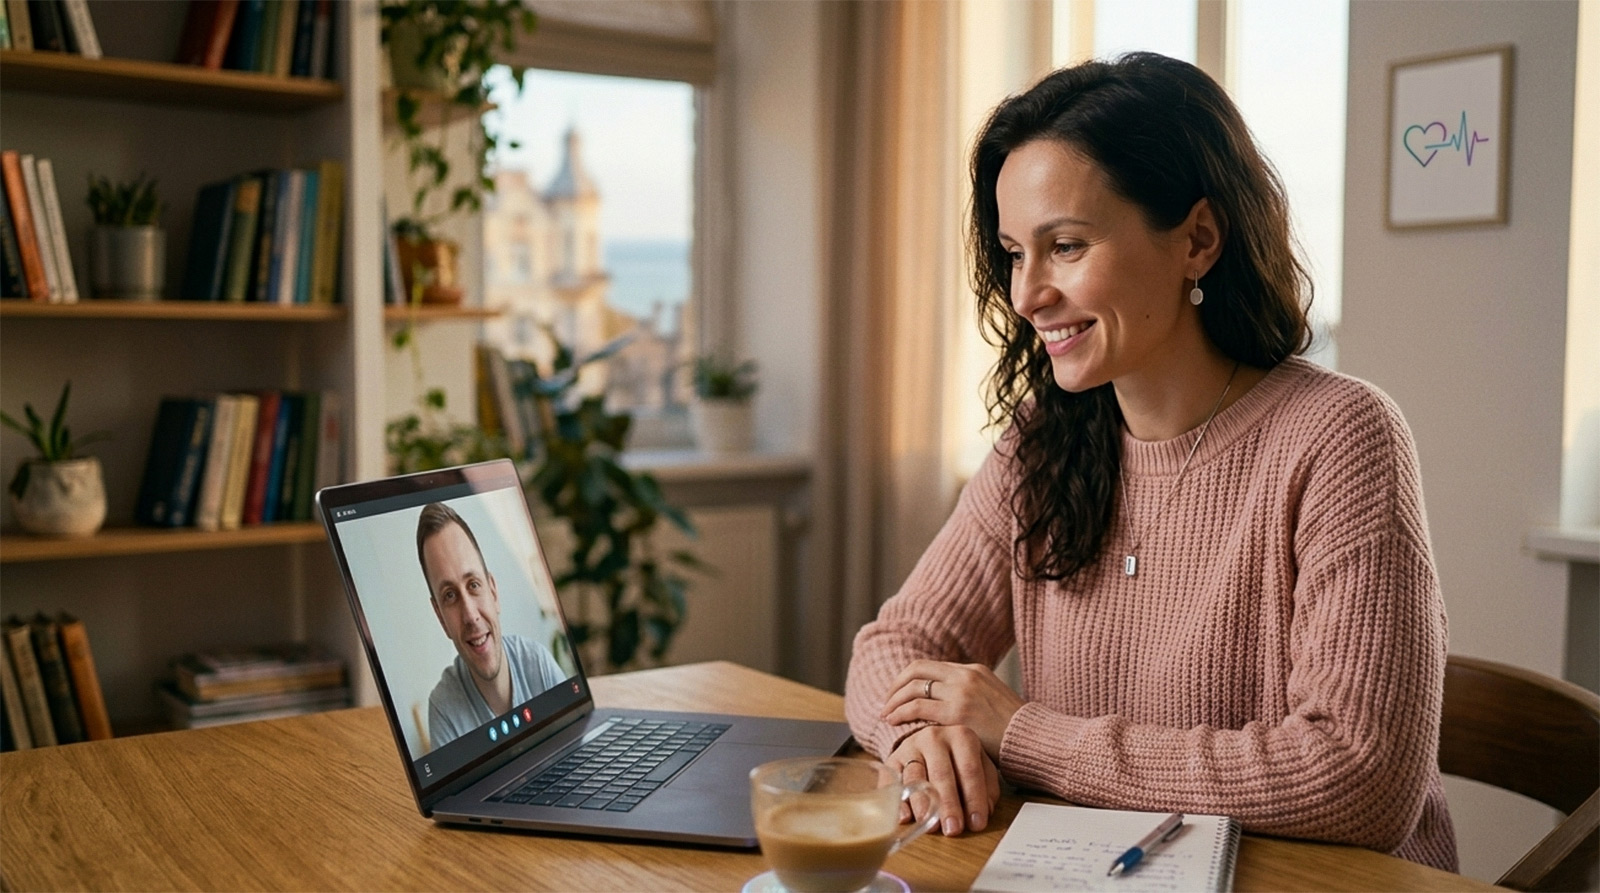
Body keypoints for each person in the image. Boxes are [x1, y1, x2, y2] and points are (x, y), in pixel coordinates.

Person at [844, 53, 1456, 872]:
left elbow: (1358, 775)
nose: (1027, 295)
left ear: (1197, 239)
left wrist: (1022, 735)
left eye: (1065, 245)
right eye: (1014, 253)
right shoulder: (1042, 442)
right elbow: (897, 643)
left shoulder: (1341, 436)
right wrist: (918, 734)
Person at [418, 501, 567, 749]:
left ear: (493, 591)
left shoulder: (537, 662)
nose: (470, 615)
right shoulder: (444, 710)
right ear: (440, 617)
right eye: (450, 596)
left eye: (474, 585)